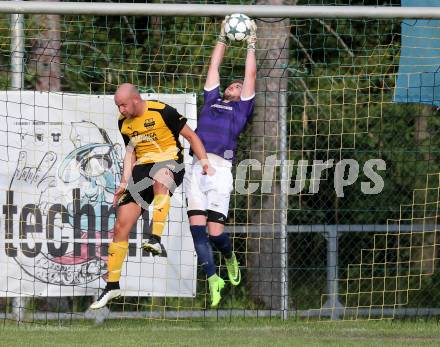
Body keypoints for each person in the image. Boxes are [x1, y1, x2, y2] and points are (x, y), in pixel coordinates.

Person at [90, 83, 212, 309]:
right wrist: (124, 182)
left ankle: (154, 238)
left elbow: (191, 137)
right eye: (118, 106)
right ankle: (112, 285)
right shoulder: (123, 122)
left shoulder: (162, 110)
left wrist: (204, 162)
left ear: (135, 100)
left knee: (160, 179)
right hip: (141, 169)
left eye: (123, 105)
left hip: (169, 162)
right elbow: (130, 153)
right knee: (120, 227)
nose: (121, 110)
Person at [184, 17, 257, 308]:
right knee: (197, 231)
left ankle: (229, 256)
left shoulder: (241, 110)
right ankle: (213, 279)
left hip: (220, 171)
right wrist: (223, 37)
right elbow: (214, 68)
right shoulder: (212, 100)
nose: (235, 85)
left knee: (216, 235)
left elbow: (250, 76)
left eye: (239, 86)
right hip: (195, 167)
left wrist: (252, 43)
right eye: (233, 84)